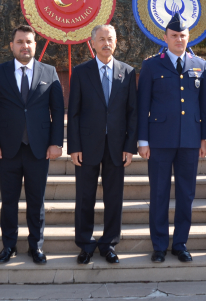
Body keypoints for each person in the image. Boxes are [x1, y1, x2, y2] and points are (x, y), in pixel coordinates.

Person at [0, 25, 65, 265]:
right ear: (12, 46)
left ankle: (35, 246)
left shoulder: (49, 72)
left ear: (35, 45)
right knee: (9, 201)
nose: (24, 46)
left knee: (36, 201)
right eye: (20, 42)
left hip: (38, 149)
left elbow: (57, 111)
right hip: (7, 149)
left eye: (29, 42)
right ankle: (8, 246)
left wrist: (56, 143)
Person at [137, 12, 206, 264]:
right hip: (159, 140)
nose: (179, 39)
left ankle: (180, 244)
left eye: (183, 35)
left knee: (186, 195)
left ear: (189, 37)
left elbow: (204, 105)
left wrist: (204, 139)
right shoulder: (151, 65)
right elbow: (142, 105)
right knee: (159, 194)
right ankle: (159, 246)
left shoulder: (200, 65)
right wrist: (143, 140)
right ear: (165, 37)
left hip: (190, 140)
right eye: (174, 35)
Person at [67, 24, 137, 265]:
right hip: (87, 146)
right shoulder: (81, 72)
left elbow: (132, 113)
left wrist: (129, 146)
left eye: (110, 39)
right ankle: (85, 244)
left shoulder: (127, 72)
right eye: (102, 39)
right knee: (85, 197)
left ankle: (109, 244)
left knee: (114, 197)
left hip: (117, 146)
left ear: (116, 42)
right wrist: (74, 146)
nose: (107, 43)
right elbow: (73, 112)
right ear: (93, 43)